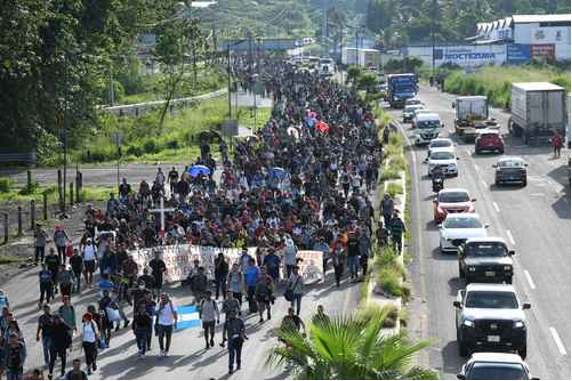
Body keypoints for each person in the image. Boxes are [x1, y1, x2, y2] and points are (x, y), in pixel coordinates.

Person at [222, 310, 247, 375]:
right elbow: (224, 330)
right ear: (229, 315)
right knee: (231, 355)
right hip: (231, 341)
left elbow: (243, 328)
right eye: (231, 314)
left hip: (239, 340)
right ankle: (231, 368)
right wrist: (224, 338)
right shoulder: (227, 322)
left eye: (233, 314)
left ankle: (238, 364)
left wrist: (242, 334)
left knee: (238, 353)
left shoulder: (239, 320)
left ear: (236, 314)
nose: (232, 315)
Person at [48, 315, 72, 380]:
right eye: (55, 319)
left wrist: (70, 344)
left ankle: (62, 370)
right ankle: (50, 373)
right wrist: (51, 323)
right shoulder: (52, 325)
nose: (56, 321)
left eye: (58, 319)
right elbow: (49, 332)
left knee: (63, 358)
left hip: (62, 346)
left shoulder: (63, 325)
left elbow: (69, 329)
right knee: (52, 360)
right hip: (54, 346)